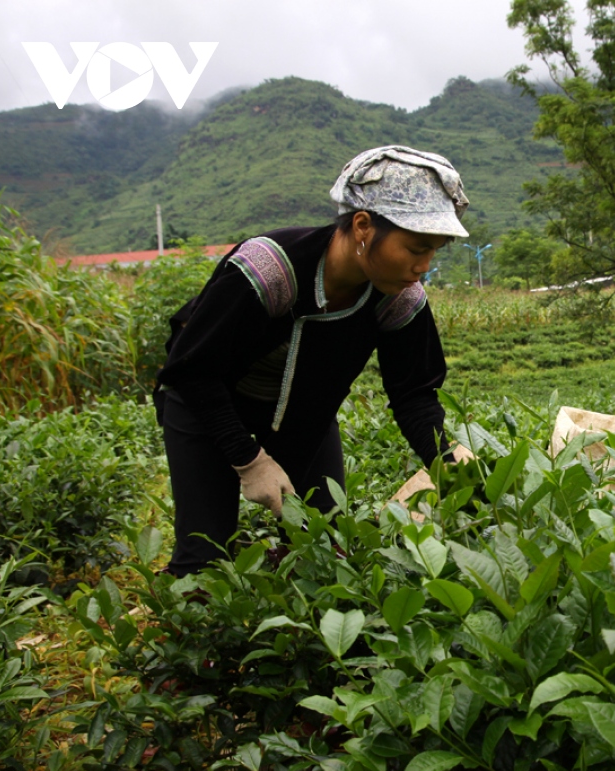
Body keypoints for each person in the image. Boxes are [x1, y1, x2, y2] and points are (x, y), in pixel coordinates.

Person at [153, 145, 469, 576]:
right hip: (208, 406)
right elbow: (193, 370)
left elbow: (413, 394)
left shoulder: (399, 297)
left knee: (326, 551)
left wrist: (448, 460)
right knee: (204, 563)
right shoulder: (269, 269)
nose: (424, 266)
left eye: (435, 252)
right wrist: (249, 459)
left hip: (304, 418)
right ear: (362, 226)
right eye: (416, 249)